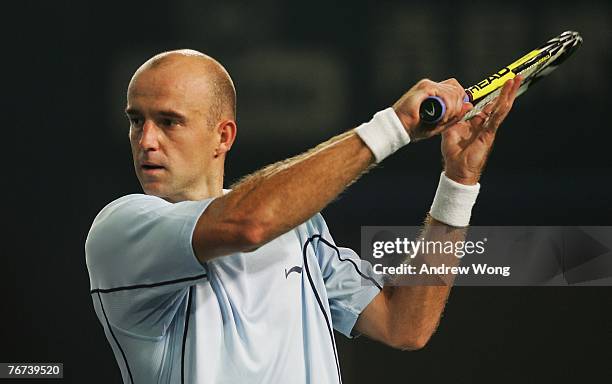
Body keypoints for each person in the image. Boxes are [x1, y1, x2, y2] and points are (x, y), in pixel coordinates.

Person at [85, 49, 521, 384]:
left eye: (168, 121)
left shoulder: (300, 229)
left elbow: (405, 324)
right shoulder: (121, 230)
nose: (146, 140)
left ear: (223, 136)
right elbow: (249, 223)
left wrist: (458, 182)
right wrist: (393, 126)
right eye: (136, 121)